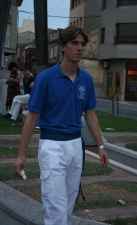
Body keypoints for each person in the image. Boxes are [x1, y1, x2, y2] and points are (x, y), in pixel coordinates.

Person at [14, 26, 109, 225]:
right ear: (63, 47)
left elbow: (90, 114)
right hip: (52, 146)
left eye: (83, 44)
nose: (80, 48)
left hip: (76, 146)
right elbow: (32, 117)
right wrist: (22, 154)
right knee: (56, 204)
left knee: (67, 204)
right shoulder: (46, 78)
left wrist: (100, 146)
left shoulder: (86, 79)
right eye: (74, 43)